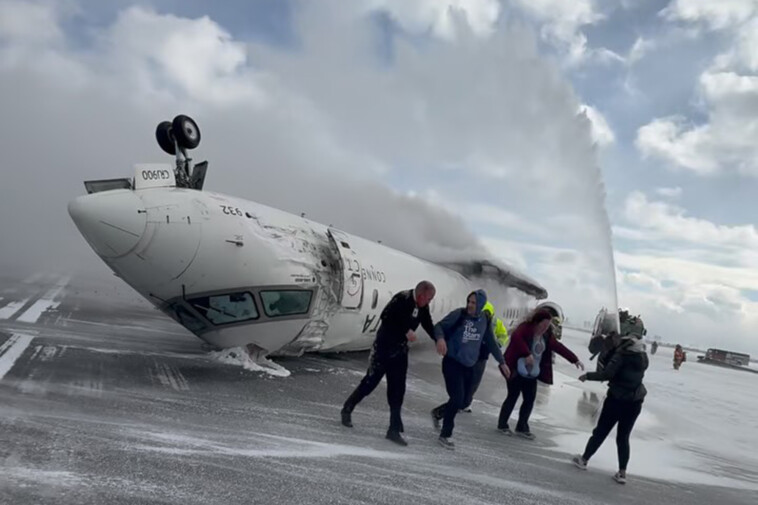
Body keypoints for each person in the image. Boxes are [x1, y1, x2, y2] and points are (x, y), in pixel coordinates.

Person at [340, 281, 437, 446]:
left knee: (398, 389)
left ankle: (393, 428)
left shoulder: (422, 307)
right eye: (428, 299)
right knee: (370, 382)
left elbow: (427, 322)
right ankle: (348, 408)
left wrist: (438, 339)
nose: (429, 303)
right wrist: (406, 330)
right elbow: (386, 317)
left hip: (400, 350)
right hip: (384, 348)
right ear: (421, 296)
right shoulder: (402, 299)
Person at [430, 290, 510, 450]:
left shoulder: (484, 321)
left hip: (469, 365)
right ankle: (445, 435)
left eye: (473, 303)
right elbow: (439, 326)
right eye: (469, 302)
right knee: (457, 398)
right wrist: (440, 339)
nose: (470, 305)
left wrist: (502, 362)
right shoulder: (459, 315)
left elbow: (492, 343)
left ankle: (438, 413)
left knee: (465, 401)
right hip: (452, 362)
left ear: (480, 304)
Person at [572, 332, 649, 485]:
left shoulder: (621, 355)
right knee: (623, 437)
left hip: (616, 399)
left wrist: (587, 376)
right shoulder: (643, 358)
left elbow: (606, 374)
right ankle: (622, 472)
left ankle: (584, 459)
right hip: (635, 401)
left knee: (601, 431)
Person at [498, 309, 584, 439]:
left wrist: (574, 359)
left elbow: (558, 347)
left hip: (532, 372)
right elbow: (516, 338)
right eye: (543, 325)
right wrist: (527, 354)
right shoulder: (526, 328)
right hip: (515, 369)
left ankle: (522, 427)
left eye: (547, 326)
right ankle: (502, 425)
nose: (545, 328)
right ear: (536, 322)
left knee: (529, 399)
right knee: (512, 396)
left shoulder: (546, 335)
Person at [460, 301, 509, 413]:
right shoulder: (470, 320)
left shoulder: (495, 323)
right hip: (470, 355)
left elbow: (503, 335)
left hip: (481, 357)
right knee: (466, 380)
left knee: (473, 382)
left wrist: (498, 344)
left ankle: (465, 403)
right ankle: (461, 402)